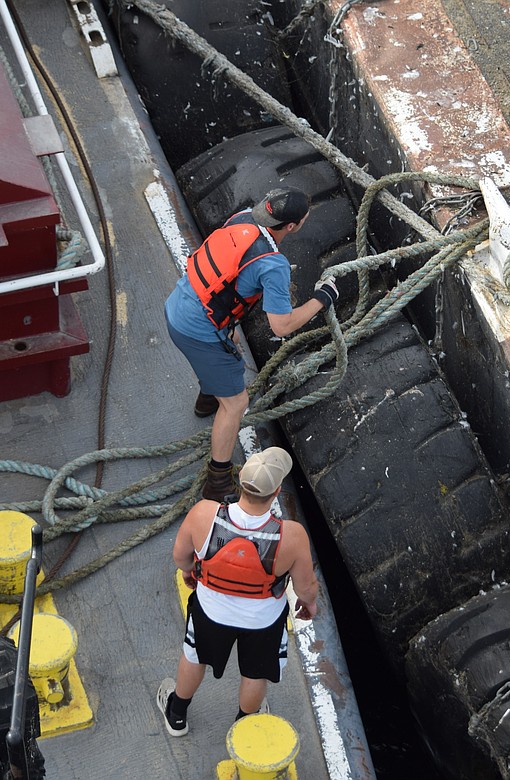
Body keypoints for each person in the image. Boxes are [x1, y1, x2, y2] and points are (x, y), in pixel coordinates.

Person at [164, 187, 339, 502]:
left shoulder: (241, 218)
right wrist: (322, 299)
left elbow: (225, 279)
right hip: (196, 331)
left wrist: (230, 330)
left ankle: (208, 398)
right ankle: (217, 480)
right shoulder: (273, 265)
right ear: (292, 226)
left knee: (226, 359)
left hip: (179, 303)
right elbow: (281, 325)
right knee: (236, 404)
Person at [156, 446, 318, 736]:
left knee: (195, 657)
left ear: (240, 476)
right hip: (263, 622)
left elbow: (181, 556)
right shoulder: (291, 536)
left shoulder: (204, 513)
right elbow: (306, 588)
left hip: (210, 612)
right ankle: (244, 726)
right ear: (278, 490)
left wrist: (188, 572)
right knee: (255, 673)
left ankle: (177, 715)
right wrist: (310, 605)